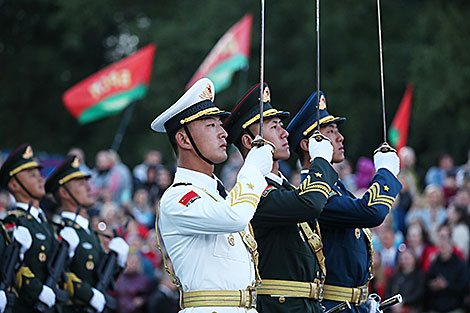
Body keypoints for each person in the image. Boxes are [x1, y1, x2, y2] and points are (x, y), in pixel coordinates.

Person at [150, 78, 273, 312]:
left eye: (220, 124)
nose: (223, 133)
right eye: (211, 125)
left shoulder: (221, 196)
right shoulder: (177, 198)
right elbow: (234, 217)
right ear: (183, 139)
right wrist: (253, 170)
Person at [223, 83, 338, 313]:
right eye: (274, 127)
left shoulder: (283, 188)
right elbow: (311, 204)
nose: (285, 133)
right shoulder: (255, 193)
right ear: (249, 142)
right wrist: (321, 162)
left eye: (281, 126)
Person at [286, 91, 402, 313]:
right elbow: (371, 213)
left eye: (337, 131)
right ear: (306, 144)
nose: (340, 138)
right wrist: (386, 173)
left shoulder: (335, 189)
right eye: (330, 132)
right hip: (335, 306)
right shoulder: (314, 193)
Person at [45, 155, 130, 313]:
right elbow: (56, 274)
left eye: (87, 183)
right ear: (64, 192)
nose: (89, 188)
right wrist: (88, 295)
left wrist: (118, 262)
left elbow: (104, 279)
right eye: (81, 184)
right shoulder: (61, 231)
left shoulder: (90, 232)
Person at [0, 144, 77, 313]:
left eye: (39, 174)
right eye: (32, 175)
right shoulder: (13, 221)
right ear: (14, 185)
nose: (40, 179)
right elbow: (10, 266)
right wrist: (38, 290)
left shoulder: (45, 223)